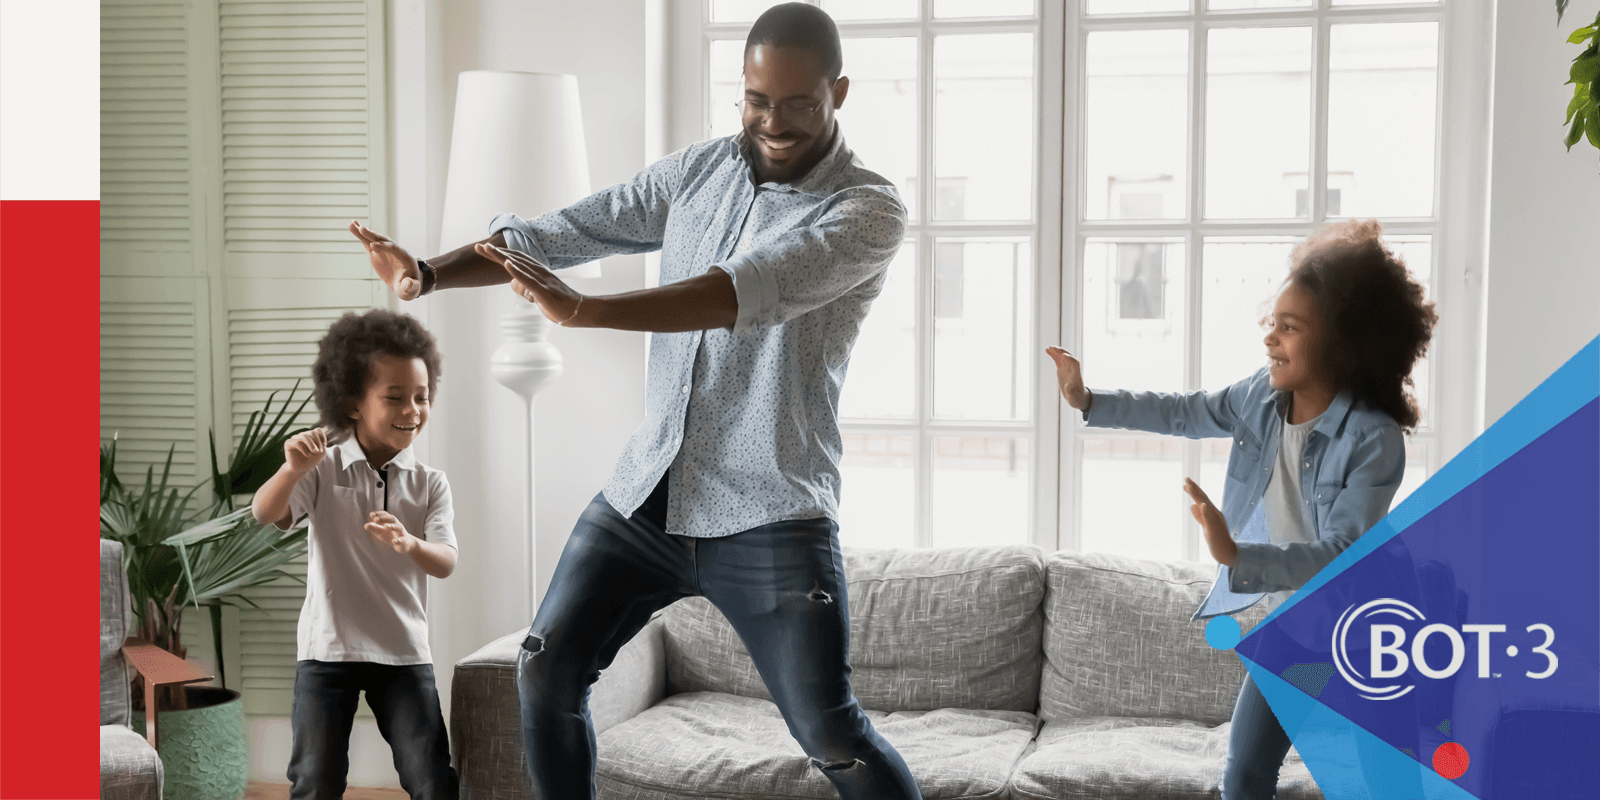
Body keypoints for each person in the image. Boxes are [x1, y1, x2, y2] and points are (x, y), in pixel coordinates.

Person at [346, 4, 921, 798]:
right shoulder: (699, 172)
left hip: (770, 508)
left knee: (831, 732)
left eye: (798, 103)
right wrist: (429, 273)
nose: (774, 121)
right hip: (648, 492)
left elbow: (740, 291)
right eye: (757, 100)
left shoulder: (867, 210)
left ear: (839, 92)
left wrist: (588, 312)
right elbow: (561, 234)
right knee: (546, 672)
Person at [1046, 219, 1436, 800]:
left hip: (1369, 633)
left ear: (1341, 340)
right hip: (1297, 630)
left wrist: (1236, 555)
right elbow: (1184, 412)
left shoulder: (1373, 438)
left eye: (1289, 327)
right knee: (1246, 774)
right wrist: (1089, 400)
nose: (1270, 338)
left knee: (1388, 783)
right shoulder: (1259, 396)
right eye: (1270, 323)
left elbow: (1339, 553)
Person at [251, 310, 459, 800]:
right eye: (394, 397)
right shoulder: (321, 467)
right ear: (350, 403)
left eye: (422, 397)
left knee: (432, 778)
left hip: (404, 651)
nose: (412, 409)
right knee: (315, 782)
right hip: (329, 651)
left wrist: (409, 544)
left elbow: (446, 560)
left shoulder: (430, 483)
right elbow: (263, 512)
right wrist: (289, 470)